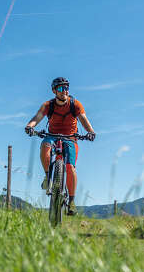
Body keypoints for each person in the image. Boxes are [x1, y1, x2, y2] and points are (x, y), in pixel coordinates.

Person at [25, 77, 95, 215]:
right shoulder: (48, 105)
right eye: (61, 88)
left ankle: (72, 201)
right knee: (45, 145)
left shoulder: (75, 104)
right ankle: (48, 177)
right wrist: (30, 126)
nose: (65, 91)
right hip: (52, 135)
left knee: (70, 167)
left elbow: (84, 119)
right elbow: (37, 117)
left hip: (71, 138)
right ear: (54, 91)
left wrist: (90, 132)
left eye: (67, 88)